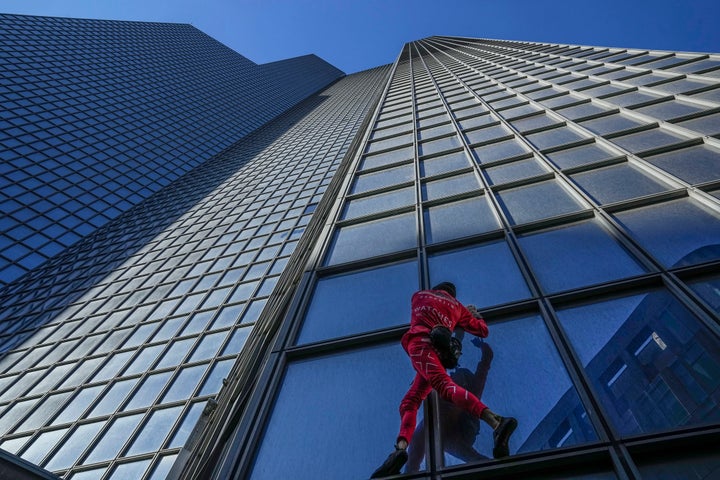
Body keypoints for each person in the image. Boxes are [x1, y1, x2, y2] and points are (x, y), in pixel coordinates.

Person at [371, 282, 517, 478]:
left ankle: (497, 422)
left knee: (440, 388)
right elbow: (483, 331)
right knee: (412, 400)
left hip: (421, 344)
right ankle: (399, 452)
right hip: (437, 353)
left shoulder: (419, 295)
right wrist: (473, 314)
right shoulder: (458, 307)